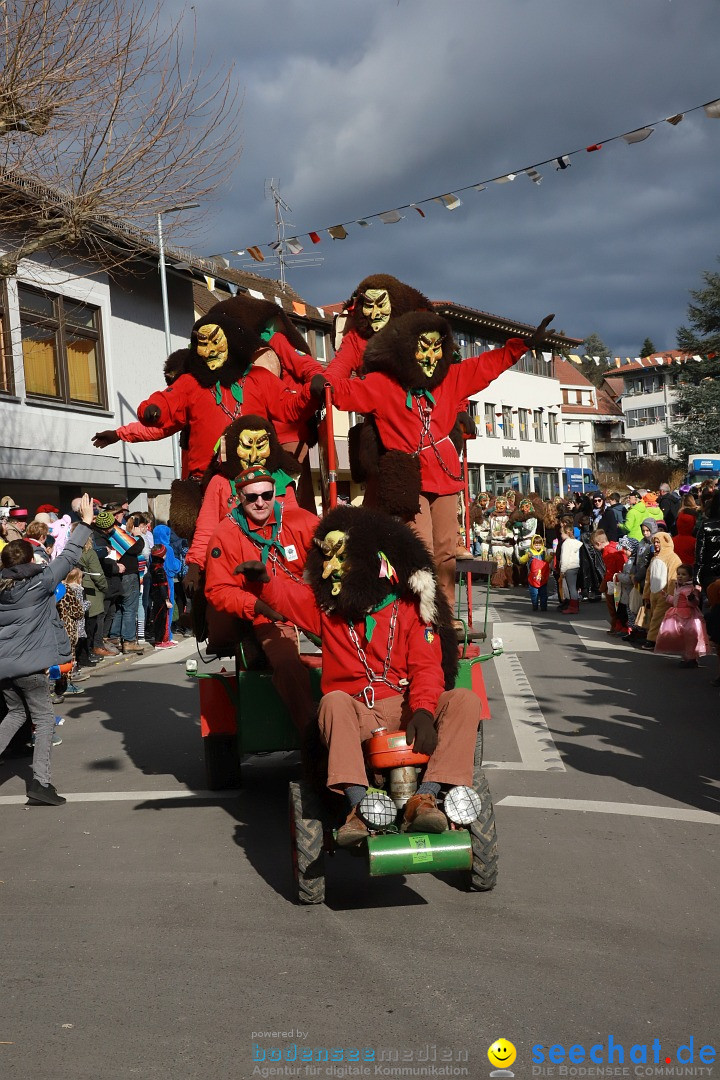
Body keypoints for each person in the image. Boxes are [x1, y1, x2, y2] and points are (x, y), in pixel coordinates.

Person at [236, 505, 476, 847]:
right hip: (358, 712)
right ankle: (358, 807)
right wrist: (264, 580)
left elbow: (426, 668)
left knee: (465, 700)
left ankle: (425, 796)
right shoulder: (329, 611)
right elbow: (290, 596)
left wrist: (423, 711)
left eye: (341, 559)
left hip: (407, 707)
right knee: (332, 701)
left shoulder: (410, 609)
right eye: (327, 559)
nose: (331, 569)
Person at [322, 309, 554, 610]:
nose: (431, 357)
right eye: (424, 348)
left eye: (437, 348)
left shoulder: (452, 378)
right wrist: (323, 385)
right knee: (422, 548)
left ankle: (443, 612)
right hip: (408, 477)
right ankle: (419, 611)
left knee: (446, 551)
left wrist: (521, 346)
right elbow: (344, 390)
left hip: (444, 477)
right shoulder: (383, 385)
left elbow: (486, 365)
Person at [204, 466, 318, 733]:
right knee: (288, 664)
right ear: (239, 498)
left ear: (275, 494)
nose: (260, 502)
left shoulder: (301, 520)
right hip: (266, 615)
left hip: (308, 605)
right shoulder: (226, 533)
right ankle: (311, 735)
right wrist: (256, 605)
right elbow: (218, 590)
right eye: (252, 497)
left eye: (266, 495)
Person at [0, 493, 95, 805]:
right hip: (31, 668)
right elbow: (68, 556)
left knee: (14, 714)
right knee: (42, 722)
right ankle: (40, 784)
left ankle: (40, 782)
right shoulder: (39, 583)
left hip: (5, 669)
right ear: (30, 559)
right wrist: (85, 522)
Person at [93, 509, 145, 654]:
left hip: (119, 576)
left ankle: (114, 637)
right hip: (128, 575)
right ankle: (128, 641)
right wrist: (139, 537)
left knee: (119, 608)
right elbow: (135, 548)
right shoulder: (115, 533)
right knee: (129, 608)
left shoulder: (101, 535)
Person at [654, 565, 711, 667]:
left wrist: (692, 598)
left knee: (690, 637)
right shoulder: (679, 587)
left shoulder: (690, 588)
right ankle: (687, 658)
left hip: (688, 616)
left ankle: (691, 659)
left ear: (690, 577)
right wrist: (667, 597)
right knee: (682, 638)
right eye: (678, 574)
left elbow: (694, 603)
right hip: (678, 615)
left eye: (683, 574)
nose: (680, 576)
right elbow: (676, 601)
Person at [641, 532, 682, 651]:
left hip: (664, 595)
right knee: (654, 616)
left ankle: (651, 640)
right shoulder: (655, 558)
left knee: (657, 617)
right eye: (655, 542)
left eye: (658, 542)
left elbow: (673, 578)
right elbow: (648, 578)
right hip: (654, 594)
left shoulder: (673, 558)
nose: (656, 544)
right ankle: (660, 639)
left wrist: (670, 595)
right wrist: (646, 594)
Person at [592, 529, 628, 633]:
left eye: (594, 546)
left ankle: (617, 626)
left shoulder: (607, 552)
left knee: (613, 605)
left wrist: (603, 586)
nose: (594, 548)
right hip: (622, 577)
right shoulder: (614, 545)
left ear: (599, 543)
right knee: (621, 605)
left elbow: (610, 571)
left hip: (615, 581)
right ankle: (619, 625)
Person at [148, 543, 177, 649]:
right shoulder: (159, 570)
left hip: (156, 596)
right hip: (161, 597)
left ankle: (161, 639)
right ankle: (160, 641)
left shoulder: (153, 567)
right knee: (162, 619)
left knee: (159, 618)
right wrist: (167, 599)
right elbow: (162, 586)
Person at [694, 489, 720, 594]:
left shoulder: (706, 525)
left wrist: (696, 579)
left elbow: (699, 555)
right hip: (709, 576)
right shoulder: (705, 526)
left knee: (709, 607)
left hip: (709, 576)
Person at [517, 534, 552, 612]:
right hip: (533, 578)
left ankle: (544, 606)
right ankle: (535, 604)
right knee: (534, 593)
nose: (538, 546)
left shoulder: (543, 551)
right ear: (533, 544)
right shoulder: (530, 552)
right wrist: (527, 557)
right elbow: (521, 560)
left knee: (543, 593)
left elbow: (547, 560)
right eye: (536, 545)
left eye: (539, 544)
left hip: (542, 577)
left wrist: (551, 556)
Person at [559, 523, 583, 615]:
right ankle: (575, 605)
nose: (561, 535)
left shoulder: (566, 544)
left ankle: (573, 607)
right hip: (576, 566)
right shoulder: (575, 542)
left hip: (569, 567)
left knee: (571, 588)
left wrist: (562, 570)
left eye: (562, 533)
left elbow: (565, 558)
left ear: (566, 533)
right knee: (574, 587)